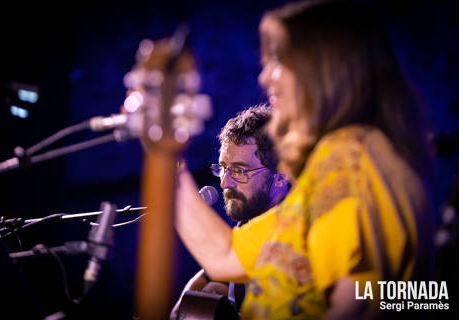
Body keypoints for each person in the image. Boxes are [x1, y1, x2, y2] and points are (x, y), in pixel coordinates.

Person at [174, 0, 435, 319]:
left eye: (279, 61)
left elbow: (381, 295)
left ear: (324, 71)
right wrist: (165, 159)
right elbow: (225, 255)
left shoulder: (351, 158)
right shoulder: (333, 171)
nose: (266, 77)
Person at [170, 105, 289, 318]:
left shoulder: (289, 228)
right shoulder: (252, 218)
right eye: (223, 168)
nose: (225, 182)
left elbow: (225, 258)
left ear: (281, 175)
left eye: (240, 170)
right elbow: (225, 264)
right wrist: (189, 297)